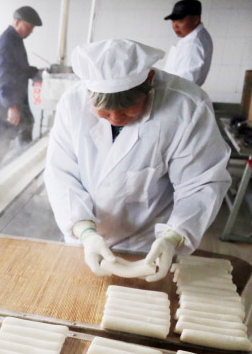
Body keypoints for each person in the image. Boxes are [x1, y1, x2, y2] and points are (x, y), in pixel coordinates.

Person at [43, 39, 230, 282]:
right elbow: (61, 175)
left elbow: (201, 184)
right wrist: (86, 233)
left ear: (149, 80)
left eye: (127, 109)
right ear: (88, 92)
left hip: (147, 245)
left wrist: (173, 237)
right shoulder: (72, 104)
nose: (115, 118)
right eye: (104, 112)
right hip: (85, 241)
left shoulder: (187, 107)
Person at [0, 5, 43, 175]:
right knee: (0, 142)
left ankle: (22, 172)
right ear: (16, 22)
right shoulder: (6, 43)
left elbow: (18, 69)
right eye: (28, 27)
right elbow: (3, 76)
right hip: (3, 102)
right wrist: (11, 106)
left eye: (32, 29)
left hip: (15, 98)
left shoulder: (15, 40)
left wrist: (35, 72)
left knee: (26, 127)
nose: (30, 32)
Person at [162, 0, 213, 87]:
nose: (175, 26)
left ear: (196, 19)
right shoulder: (195, 36)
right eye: (173, 21)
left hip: (177, 96)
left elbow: (186, 80)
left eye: (180, 21)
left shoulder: (193, 43)